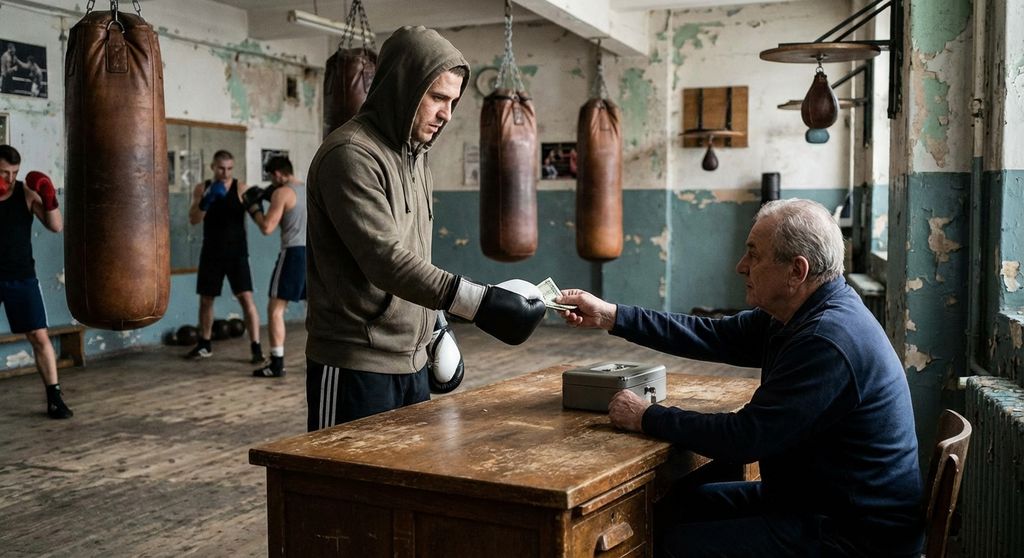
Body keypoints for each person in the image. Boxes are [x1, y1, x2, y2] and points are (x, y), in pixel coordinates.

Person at [557, 199, 924, 558]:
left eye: (754, 254)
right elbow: (709, 334)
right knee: (669, 506)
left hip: (853, 532)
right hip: (813, 499)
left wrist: (646, 416)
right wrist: (610, 315)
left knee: (675, 544)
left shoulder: (824, 339)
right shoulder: (798, 313)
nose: (740, 266)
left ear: (797, 271)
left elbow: (744, 438)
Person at [305, 26, 546, 432]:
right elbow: (385, 260)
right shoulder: (351, 155)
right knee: (347, 492)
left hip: (412, 360)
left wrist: (435, 326)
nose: (446, 114)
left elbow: (415, 254)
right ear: (403, 87)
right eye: (437, 98)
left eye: (453, 101)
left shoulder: (416, 158)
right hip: (355, 363)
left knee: (406, 491)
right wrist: (477, 302)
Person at [0, 145, 73, 419]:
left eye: (14, 173)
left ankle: (54, 398)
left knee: (38, 336)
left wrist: (50, 198)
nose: (9, 179)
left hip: (21, 276)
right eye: (3, 173)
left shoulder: (25, 193)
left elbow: (55, 226)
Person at [185, 150, 263, 363]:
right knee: (206, 300)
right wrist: (206, 201)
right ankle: (204, 344)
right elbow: (193, 219)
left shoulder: (241, 188)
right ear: (212, 167)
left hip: (237, 253)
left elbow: (260, 220)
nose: (225, 173)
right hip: (211, 252)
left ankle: (256, 348)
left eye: (229, 168)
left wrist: (265, 200)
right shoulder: (203, 188)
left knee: (247, 299)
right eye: (221, 168)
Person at [242, 155, 305, 378]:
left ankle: (277, 363)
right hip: (316, 254)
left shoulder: (282, 192)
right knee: (316, 309)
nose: (271, 180)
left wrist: (254, 210)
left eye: (271, 176)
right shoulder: (307, 189)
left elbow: (267, 227)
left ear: (278, 174)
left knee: (276, 309)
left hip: (294, 253)